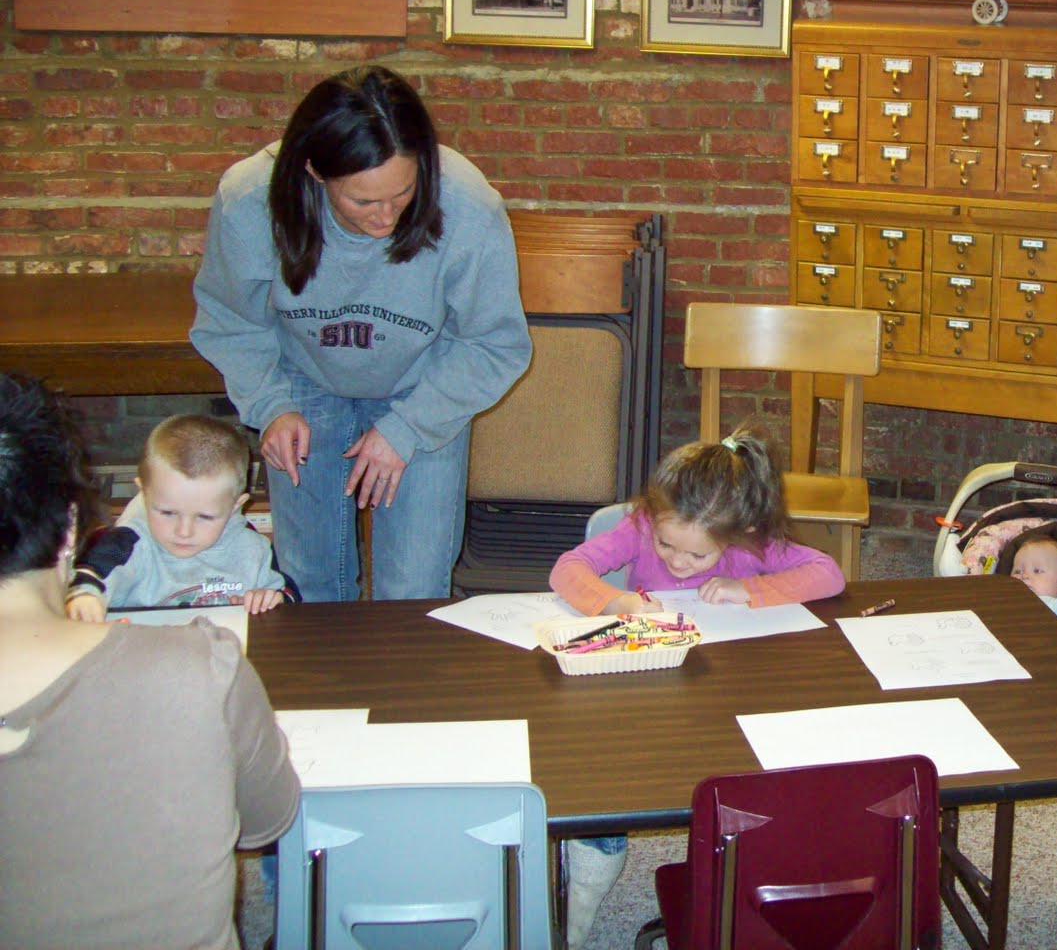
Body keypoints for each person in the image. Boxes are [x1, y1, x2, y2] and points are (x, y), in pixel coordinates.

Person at [191, 66, 532, 602]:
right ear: (313, 172)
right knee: (310, 582)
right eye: (363, 202)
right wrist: (271, 405)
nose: (386, 218)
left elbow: (493, 344)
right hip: (300, 381)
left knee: (413, 587)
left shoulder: (469, 208)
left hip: (425, 386)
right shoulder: (249, 202)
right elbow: (232, 322)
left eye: (402, 193)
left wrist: (409, 428)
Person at [0, 373, 300, 949]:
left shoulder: (246, 551)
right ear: (71, 531)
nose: (183, 531)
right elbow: (268, 818)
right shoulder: (202, 667)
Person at [549, 422, 847, 948]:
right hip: (644, 691)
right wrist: (615, 602)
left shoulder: (749, 544)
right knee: (599, 773)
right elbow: (569, 569)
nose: (678, 563)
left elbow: (828, 574)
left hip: (720, 694)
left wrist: (751, 587)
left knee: (754, 777)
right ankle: (583, 898)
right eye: (667, 546)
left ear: (736, 536)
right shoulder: (640, 524)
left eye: (697, 556)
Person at [63, 413, 295, 619]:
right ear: (143, 493)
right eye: (167, 512)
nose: (183, 531)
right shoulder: (125, 545)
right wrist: (82, 596)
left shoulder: (252, 548)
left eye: (204, 517)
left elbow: (288, 594)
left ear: (235, 507)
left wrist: (272, 598)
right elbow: (87, 576)